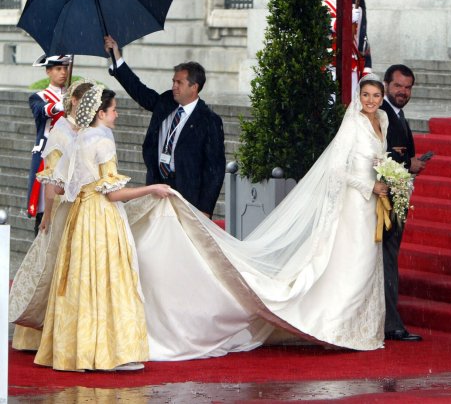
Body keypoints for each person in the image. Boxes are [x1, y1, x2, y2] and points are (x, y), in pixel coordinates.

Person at [122, 74, 390, 360]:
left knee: (365, 261)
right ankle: (335, 324)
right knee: (349, 262)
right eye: (366, 95)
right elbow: (337, 169)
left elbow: (379, 159)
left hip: (373, 204)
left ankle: (361, 326)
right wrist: (369, 185)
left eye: (375, 95)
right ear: (359, 97)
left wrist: (388, 176)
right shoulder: (353, 123)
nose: (370, 101)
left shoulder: (382, 121)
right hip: (354, 202)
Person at [34, 86, 172, 371]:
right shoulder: (103, 141)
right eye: (114, 110)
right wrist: (151, 189)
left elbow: (57, 186)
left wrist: (56, 209)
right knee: (110, 280)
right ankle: (112, 351)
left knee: (81, 282)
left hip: (79, 217)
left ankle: (78, 352)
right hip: (101, 217)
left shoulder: (78, 138)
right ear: (101, 113)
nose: (117, 114)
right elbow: (112, 194)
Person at [11, 80, 95, 352]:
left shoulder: (88, 131)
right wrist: (47, 215)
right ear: (75, 102)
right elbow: (51, 177)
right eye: (88, 102)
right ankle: (47, 332)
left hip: (82, 207)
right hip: (60, 207)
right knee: (56, 269)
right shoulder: (60, 131)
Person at [103, 36, 225, 218]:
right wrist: (117, 57)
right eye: (173, 81)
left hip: (187, 194)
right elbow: (139, 91)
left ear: (194, 87)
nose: (174, 86)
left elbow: (215, 170)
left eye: (179, 83)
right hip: (157, 187)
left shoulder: (209, 120)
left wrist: (206, 209)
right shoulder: (166, 102)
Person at [380, 64, 425, 341]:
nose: (403, 92)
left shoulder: (397, 114)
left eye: (408, 88)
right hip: (384, 201)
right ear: (386, 84)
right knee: (386, 261)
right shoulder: (382, 114)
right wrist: (409, 163)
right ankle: (390, 324)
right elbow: (377, 155)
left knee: (388, 259)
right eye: (398, 86)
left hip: (396, 198)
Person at [27, 55, 70, 235]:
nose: (63, 72)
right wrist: (64, 103)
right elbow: (42, 111)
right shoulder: (38, 96)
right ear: (48, 71)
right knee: (44, 210)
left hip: (68, 156)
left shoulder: (71, 95)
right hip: (47, 156)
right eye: (58, 68)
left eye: (65, 68)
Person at [324, 0, 363, 95]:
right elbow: (333, 26)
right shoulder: (321, 7)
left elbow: (355, 40)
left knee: (352, 103)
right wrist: (348, 18)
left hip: (351, 64)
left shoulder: (356, 10)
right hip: (330, 63)